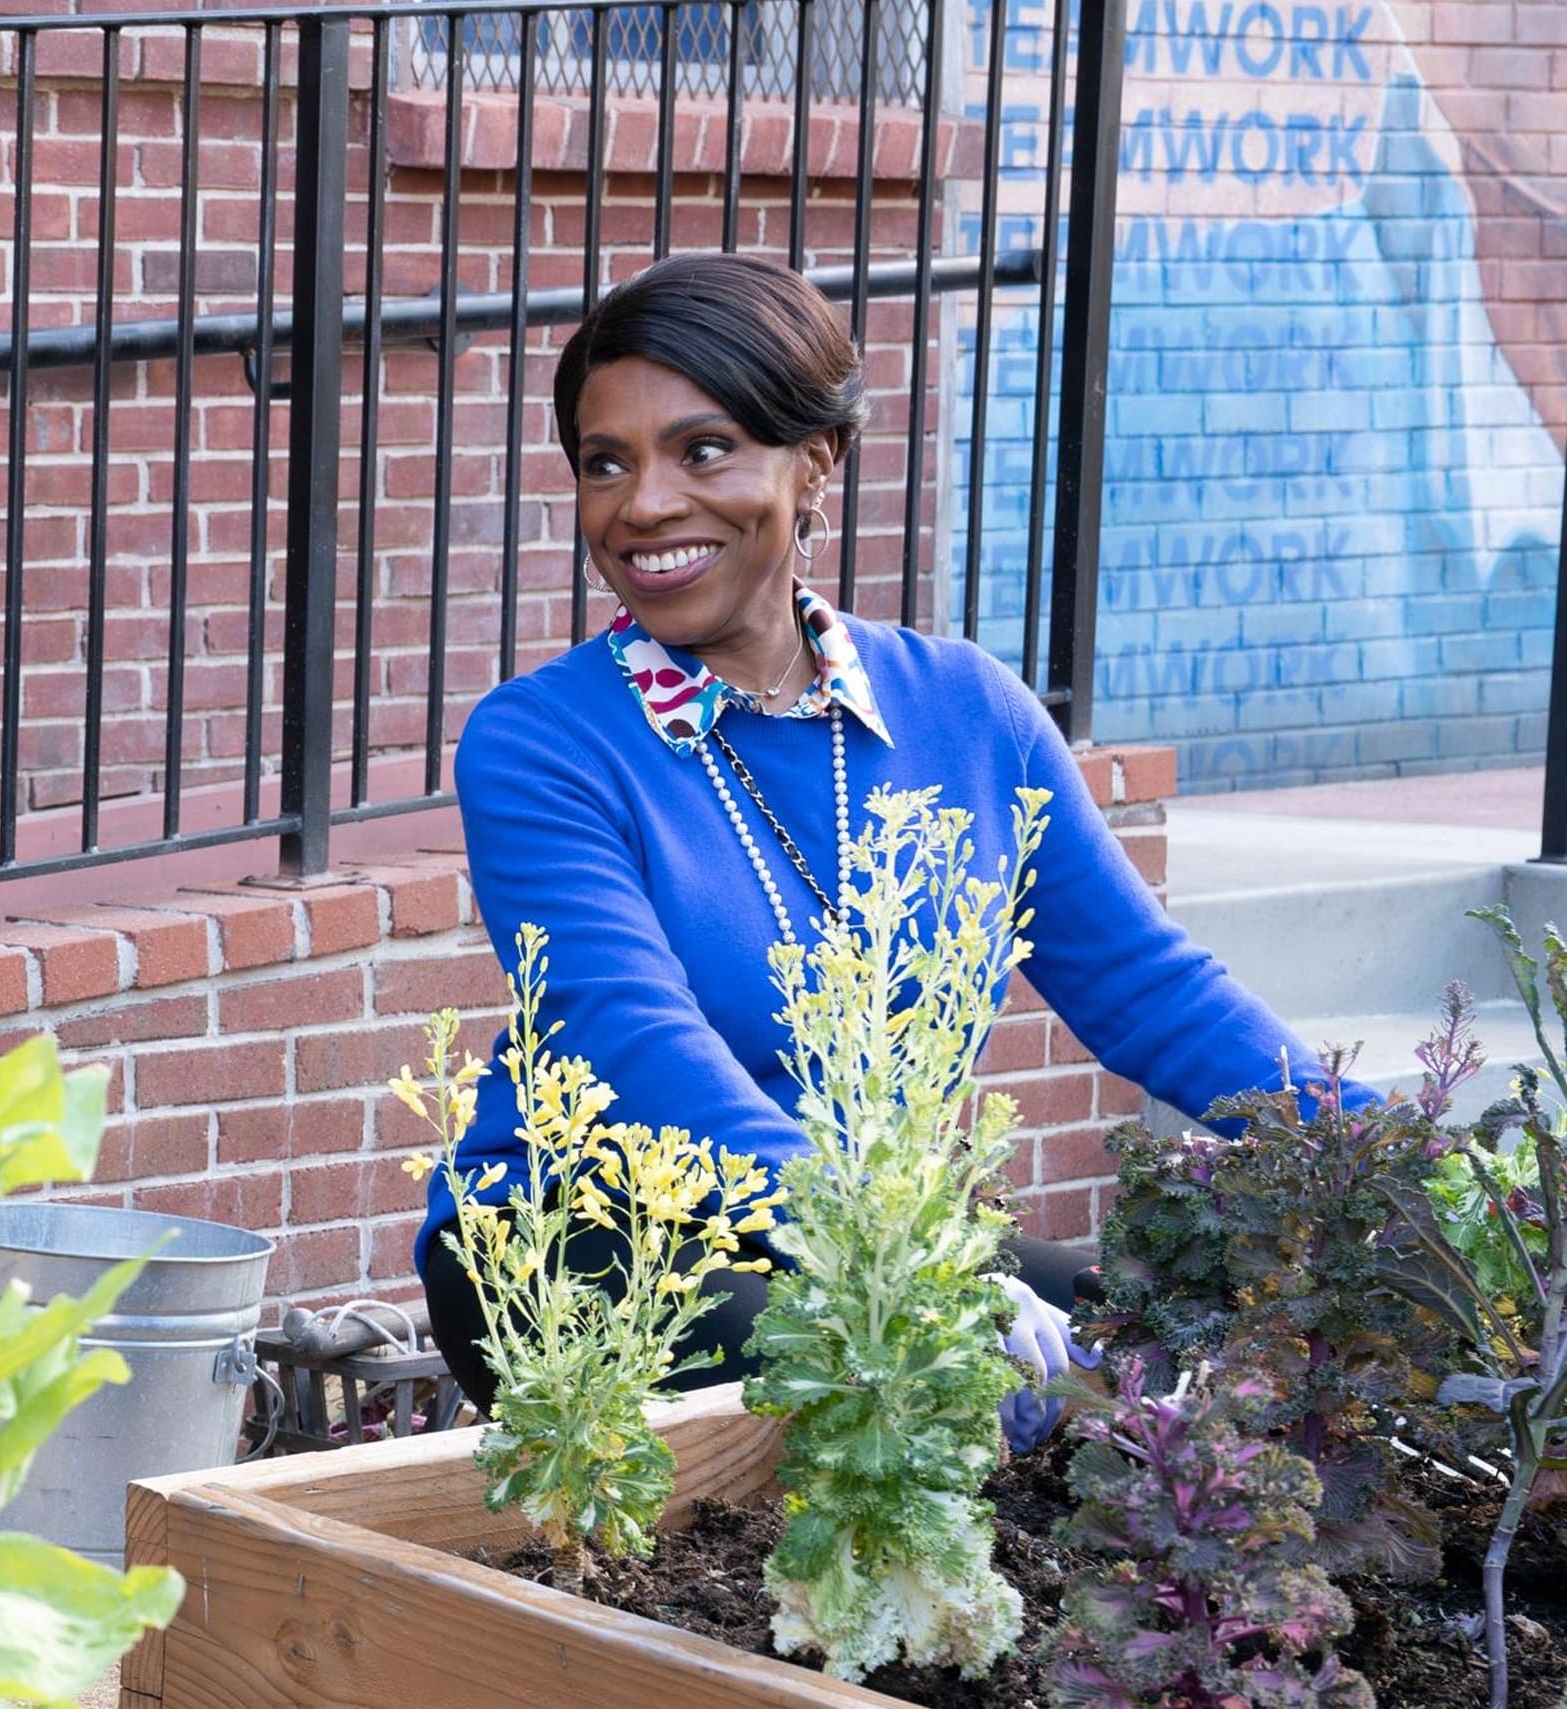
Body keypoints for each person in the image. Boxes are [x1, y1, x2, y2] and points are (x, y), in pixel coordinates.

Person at [418, 253, 1360, 1415]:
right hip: (583, 1242)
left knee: (1173, 1365)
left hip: (864, 1235)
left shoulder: (966, 711)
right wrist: (906, 1263)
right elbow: (632, 1041)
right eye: (605, 463)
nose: (643, 505)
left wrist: (1393, 1171)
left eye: (702, 451)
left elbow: (1152, 992)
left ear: (817, 459)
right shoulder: (543, 742)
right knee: (943, 1393)